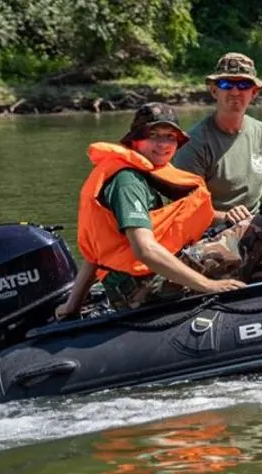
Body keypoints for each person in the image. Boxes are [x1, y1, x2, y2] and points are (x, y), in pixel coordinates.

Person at [57, 103, 248, 319]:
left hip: (138, 280)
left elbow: (97, 255)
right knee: (254, 230)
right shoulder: (127, 182)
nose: (163, 144)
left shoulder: (152, 172)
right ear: (135, 139)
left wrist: (73, 305)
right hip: (142, 287)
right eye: (154, 135)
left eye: (170, 137)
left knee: (242, 224)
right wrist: (209, 285)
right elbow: (144, 250)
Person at [171, 52, 262, 224]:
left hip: (257, 227)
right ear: (214, 90)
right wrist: (226, 217)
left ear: (254, 93)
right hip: (210, 233)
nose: (235, 91)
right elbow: (183, 207)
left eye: (244, 84)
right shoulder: (194, 142)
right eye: (226, 83)